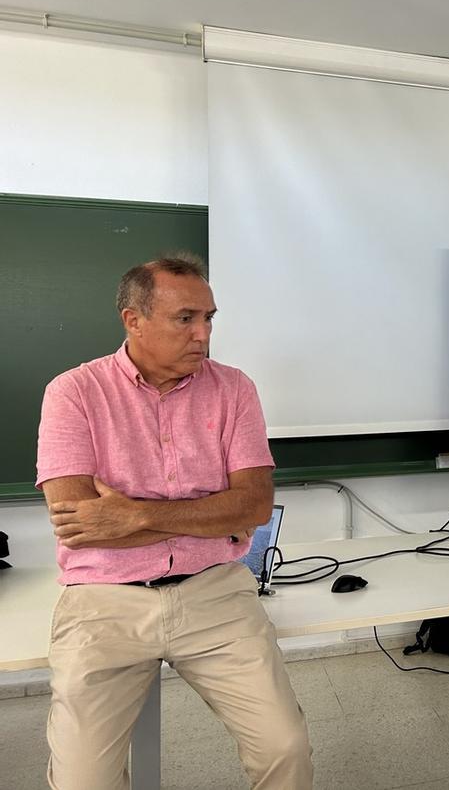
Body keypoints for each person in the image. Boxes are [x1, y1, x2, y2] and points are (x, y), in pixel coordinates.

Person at [36, 254, 312, 790]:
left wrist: (132, 514)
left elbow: (253, 506)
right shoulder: (73, 392)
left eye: (209, 318)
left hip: (214, 591)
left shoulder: (234, 389)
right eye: (186, 318)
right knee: (81, 782)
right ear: (133, 320)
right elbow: (77, 522)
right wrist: (210, 516)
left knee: (285, 746)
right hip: (104, 599)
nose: (203, 334)